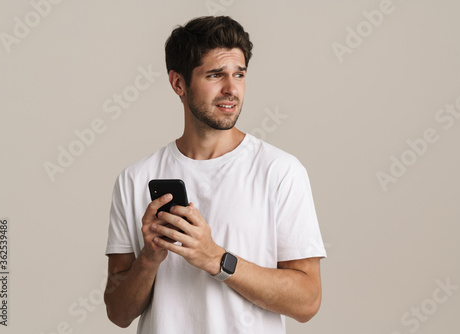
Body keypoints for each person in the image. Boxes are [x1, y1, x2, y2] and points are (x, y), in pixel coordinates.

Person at [104, 16, 327, 333]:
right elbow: (118, 312)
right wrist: (149, 259)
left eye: (239, 74)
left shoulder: (280, 171)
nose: (231, 89)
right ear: (178, 83)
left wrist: (216, 259)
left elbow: (307, 301)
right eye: (215, 75)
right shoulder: (134, 179)